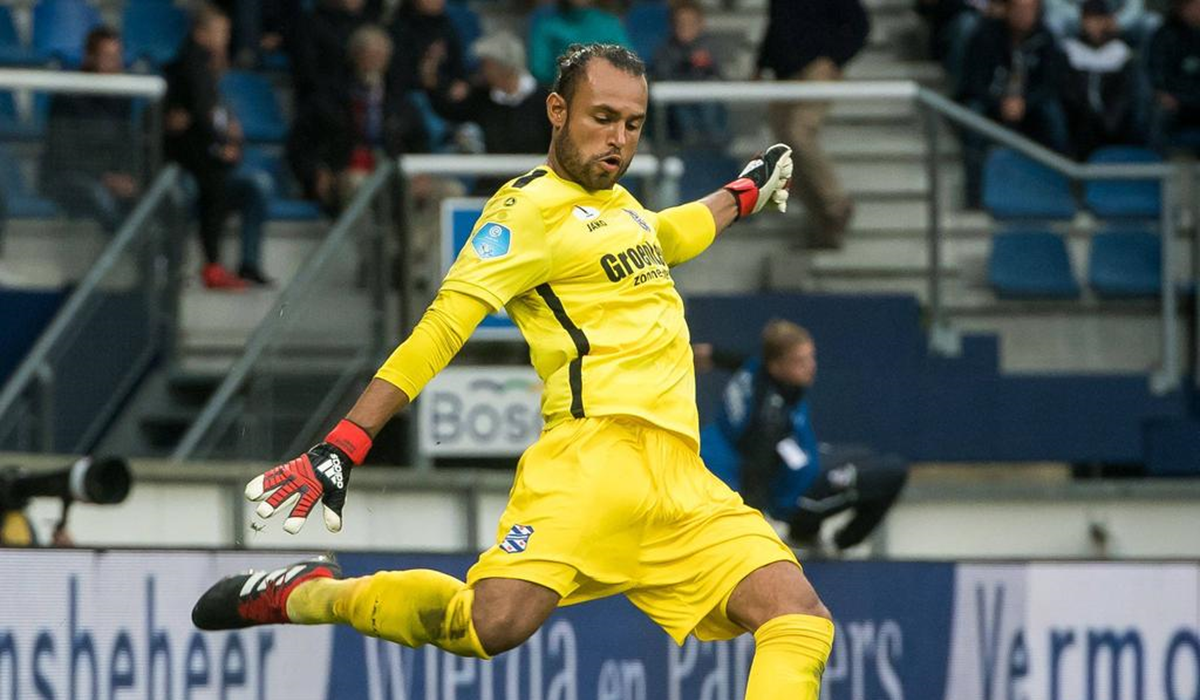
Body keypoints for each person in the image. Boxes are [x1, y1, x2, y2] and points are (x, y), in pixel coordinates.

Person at [192, 43, 835, 699]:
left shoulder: (621, 208)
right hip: (591, 460)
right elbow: (442, 326)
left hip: (680, 478)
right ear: (557, 110)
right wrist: (348, 440)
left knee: (798, 617)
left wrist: (743, 192)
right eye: (601, 117)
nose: (617, 139)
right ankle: (312, 596)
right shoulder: (523, 211)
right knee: (490, 624)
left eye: (632, 124)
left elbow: (670, 234)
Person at [696, 321, 909, 557]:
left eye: (811, 357)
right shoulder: (770, 415)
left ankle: (813, 534)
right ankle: (833, 544)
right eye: (800, 361)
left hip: (801, 457)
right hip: (797, 497)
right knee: (894, 471)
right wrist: (756, 532)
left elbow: (740, 359)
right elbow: (756, 467)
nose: (811, 367)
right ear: (776, 366)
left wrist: (712, 354)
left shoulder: (757, 370)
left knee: (865, 455)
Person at [164, 2, 272, 289]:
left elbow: (205, 113)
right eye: (221, 32)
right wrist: (222, 143)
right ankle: (208, 265)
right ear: (202, 33)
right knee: (213, 181)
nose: (225, 38)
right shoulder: (193, 62)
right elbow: (200, 113)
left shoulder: (201, 64)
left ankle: (239, 264)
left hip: (199, 150)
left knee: (247, 185)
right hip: (184, 157)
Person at [757, 0, 868, 249]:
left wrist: (836, 59)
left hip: (817, 68)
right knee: (784, 148)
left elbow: (860, 24)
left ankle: (837, 203)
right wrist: (760, 63)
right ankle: (822, 220)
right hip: (785, 73)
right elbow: (777, 25)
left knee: (800, 131)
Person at [287, 24, 428, 214]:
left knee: (447, 190)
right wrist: (315, 173)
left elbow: (420, 142)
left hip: (393, 171)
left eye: (380, 55)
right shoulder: (327, 98)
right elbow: (299, 145)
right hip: (344, 171)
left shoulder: (400, 102)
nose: (375, 60)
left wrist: (422, 172)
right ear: (354, 55)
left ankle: (419, 244)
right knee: (359, 183)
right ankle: (364, 244)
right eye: (368, 54)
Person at [958, 0, 1070, 207]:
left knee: (1053, 114)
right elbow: (972, 82)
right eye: (1019, 9)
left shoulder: (1045, 38)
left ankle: (1059, 189)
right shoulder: (985, 35)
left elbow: (1051, 83)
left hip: (1029, 105)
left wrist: (1025, 102)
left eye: (1030, 10)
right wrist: (1000, 102)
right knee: (972, 115)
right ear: (1007, 10)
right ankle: (974, 195)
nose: (1024, 15)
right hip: (992, 103)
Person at [41, 27, 141, 233]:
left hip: (110, 178)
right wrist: (104, 178)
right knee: (99, 195)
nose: (115, 64)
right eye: (108, 57)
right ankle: (114, 259)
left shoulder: (122, 98)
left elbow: (127, 145)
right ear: (90, 57)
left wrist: (126, 176)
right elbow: (62, 154)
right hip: (68, 179)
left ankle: (153, 261)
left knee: (158, 196)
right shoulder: (68, 97)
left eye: (117, 56)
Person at [424, 31, 552, 193]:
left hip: (537, 188)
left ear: (504, 67)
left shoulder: (545, 100)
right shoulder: (482, 97)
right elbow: (449, 110)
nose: (481, 70)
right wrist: (432, 79)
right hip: (493, 188)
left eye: (486, 64)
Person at [1062, 0, 1145, 157]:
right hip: (1078, 127)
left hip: (1116, 128)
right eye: (1091, 19)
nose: (1095, 25)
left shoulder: (1122, 54)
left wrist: (1107, 121)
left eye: (1100, 19)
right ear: (1082, 20)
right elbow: (1067, 93)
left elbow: (1124, 97)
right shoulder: (1068, 52)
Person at [651, 2, 729, 145]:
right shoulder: (666, 49)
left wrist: (709, 65)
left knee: (710, 106)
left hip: (707, 106)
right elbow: (662, 74)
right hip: (679, 107)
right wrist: (684, 63)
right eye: (681, 23)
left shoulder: (710, 47)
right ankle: (690, 142)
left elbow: (721, 77)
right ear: (672, 25)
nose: (685, 27)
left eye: (691, 23)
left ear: (701, 24)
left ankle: (715, 144)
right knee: (682, 110)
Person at [528, 0, 631, 85]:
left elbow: (628, 63)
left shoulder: (610, 24)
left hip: (607, 93)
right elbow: (540, 70)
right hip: (562, 95)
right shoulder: (547, 26)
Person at [1148, 0, 1200, 151]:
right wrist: (1163, 93)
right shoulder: (1165, 35)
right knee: (1160, 111)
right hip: (1176, 100)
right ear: (1181, 8)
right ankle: (1156, 165)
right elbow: (1157, 72)